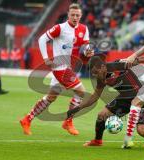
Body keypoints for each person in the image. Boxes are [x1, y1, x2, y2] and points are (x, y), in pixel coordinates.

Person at [66, 52, 144, 148]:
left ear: (102, 66)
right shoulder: (100, 78)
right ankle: (97, 141)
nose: (95, 75)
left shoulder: (117, 64)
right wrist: (77, 109)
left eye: (96, 72)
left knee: (142, 131)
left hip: (141, 97)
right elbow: (95, 96)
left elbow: (139, 60)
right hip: (124, 99)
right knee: (102, 115)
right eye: (93, 73)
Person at [20, 3, 94, 136]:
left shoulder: (84, 28)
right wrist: (46, 58)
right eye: (73, 15)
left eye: (77, 15)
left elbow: (86, 47)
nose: (75, 17)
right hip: (60, 67)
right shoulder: (60, 28)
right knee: (82, 92)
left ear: (81, 16)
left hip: (70, 68)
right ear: (68, 15)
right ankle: (68, 121)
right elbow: (42, 39)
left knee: (51, 97)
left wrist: (89, 53)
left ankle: (27, 119)